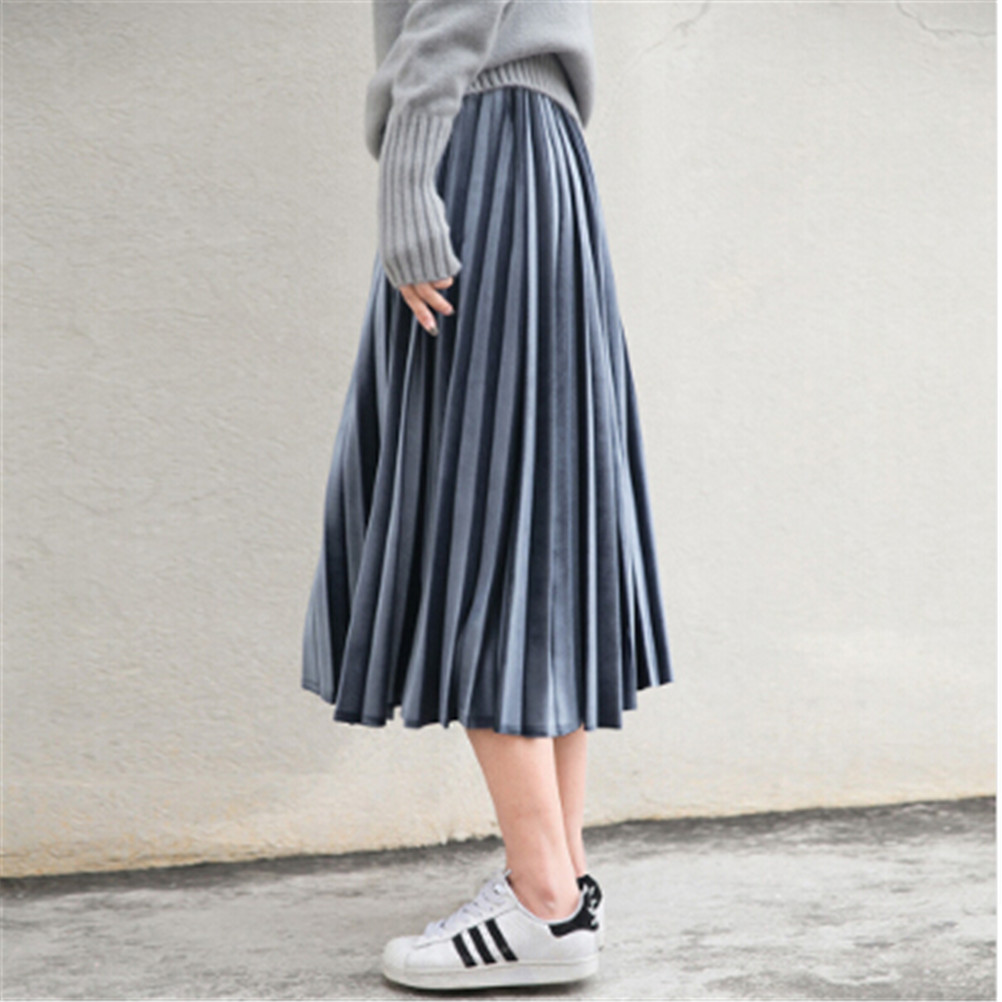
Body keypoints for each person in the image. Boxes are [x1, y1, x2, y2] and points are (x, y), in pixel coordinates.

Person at [301, 0, 674, 990]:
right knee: (540, 520)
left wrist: (409, 170)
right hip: (537, 152)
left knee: (475, 516)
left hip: (483, 139)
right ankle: (559, 876)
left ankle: (542, 900)